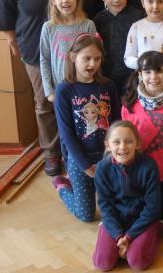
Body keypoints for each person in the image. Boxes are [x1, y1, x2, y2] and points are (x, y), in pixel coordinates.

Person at [0, 0, 102, 176]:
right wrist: (12, 38)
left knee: (78, 103)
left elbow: (97, 0)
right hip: (37, 50)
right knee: (46, 103)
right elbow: (4, 3)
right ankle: (51, 152)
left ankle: (76, 150)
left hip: (80, 55)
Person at [51, 34, 121, 222]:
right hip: (79, 158)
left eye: (97, 59)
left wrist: (112, 155)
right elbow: (66, 134)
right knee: (86, 215)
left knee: (115, 210)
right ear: (73, 57)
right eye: (87, 58)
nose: (92, 64)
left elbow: (117, 122)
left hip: (107, 155)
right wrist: (86, 167)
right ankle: (62, 186)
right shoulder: (64, 89)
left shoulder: (108, 86)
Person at [121, 51, 163, 224]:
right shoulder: (129, 107)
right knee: (144, 221)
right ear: (140, 75)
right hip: (140, 175)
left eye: (159, 71)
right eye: (148, 72)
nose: (153, 77)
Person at [92, 120, 161, 271]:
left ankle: (154, 232)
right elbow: (105, 206)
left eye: (128, 141)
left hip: (142, 220)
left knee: (138, 263)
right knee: (102, 263)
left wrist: (129, 237)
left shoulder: (149, 166)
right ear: (108, 145)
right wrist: (118, 236)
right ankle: (113, 238)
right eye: (116, 142)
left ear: (137, 144)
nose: (122, 147)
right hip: (116, 219)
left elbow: (153, 207)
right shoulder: (103, 169)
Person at [40, 0, 96, 103]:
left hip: (84, 87)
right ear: (53, 0)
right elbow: (44, 60)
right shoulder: (49, 27)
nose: (65, 1)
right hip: (60, 89)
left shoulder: (88, 25)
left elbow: (94, 56)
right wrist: (49, 91)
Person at [94, 0, 145, 97]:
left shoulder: (138, 16)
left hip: (132, 75)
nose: (116, 0)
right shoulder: (98, 19)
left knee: (130, 109)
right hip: (106, 75)